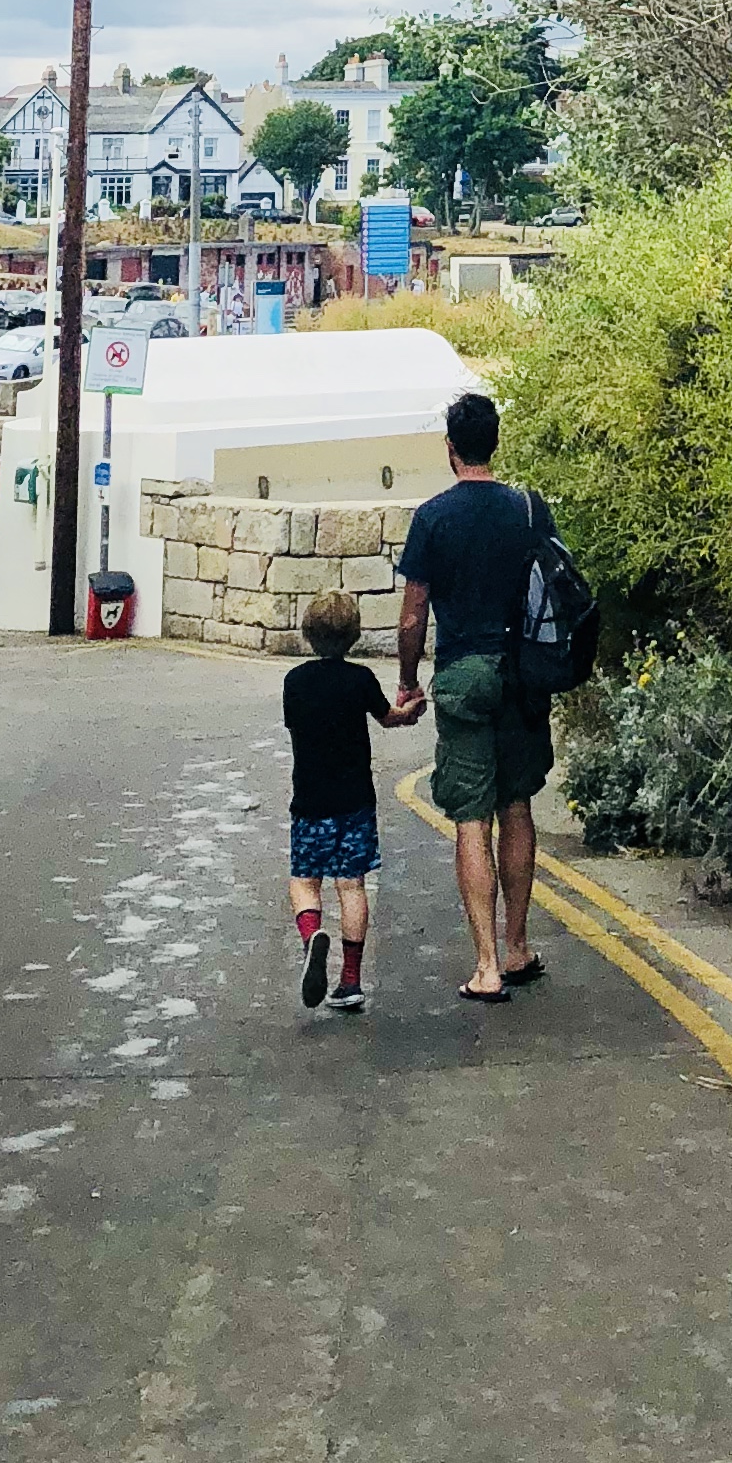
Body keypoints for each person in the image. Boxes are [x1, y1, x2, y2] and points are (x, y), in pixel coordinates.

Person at [396, 388, 554, 1003]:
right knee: (516, 805)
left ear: (450, 448)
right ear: (495, 442)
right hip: (522, 675)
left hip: (464, 674)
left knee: (471, 817)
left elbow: (414, 615)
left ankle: (486, 966)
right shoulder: (527, 510)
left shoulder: (433, 518)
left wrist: (408, 682)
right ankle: (517, 947)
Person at [283, 590, 422, 1012]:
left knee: (305, 880)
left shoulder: (295, 682)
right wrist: (409, 711)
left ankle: (311, 936)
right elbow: (388, 717)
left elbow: (296, 726)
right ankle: (350, 981)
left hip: (310, 802)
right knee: (352, 885)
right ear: (354, 635)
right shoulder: (361, 679)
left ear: (308, 633)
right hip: (355, 803)